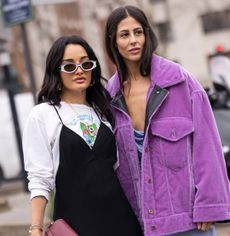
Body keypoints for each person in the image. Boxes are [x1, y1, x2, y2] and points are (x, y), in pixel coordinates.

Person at [104, 5, 230, 236]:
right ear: (113, 42)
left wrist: (208, 206)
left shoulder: (181, 83)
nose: (133, 40)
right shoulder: (109, 97)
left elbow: (207, 147)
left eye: (138, 32)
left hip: (189, 221)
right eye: (125, 34)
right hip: (140, 224)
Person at [23, 35, 143, 236]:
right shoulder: (43, 114)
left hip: (122, 221)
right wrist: (36, 228)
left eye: (85, 64)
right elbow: (39, 178)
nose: (79, 71)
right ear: (56, 71)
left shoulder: (104, 110)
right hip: (75, 225)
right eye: (69, 66)